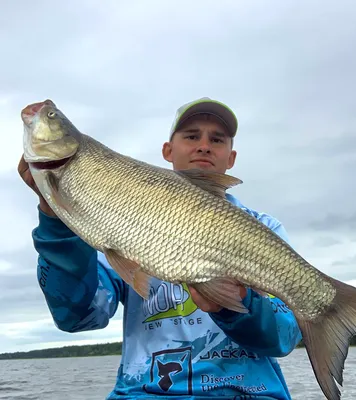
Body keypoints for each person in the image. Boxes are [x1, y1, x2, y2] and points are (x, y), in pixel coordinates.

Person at [18, 97, 302, 399]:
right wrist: (56, 221)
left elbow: (284, 337)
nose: (204, 145)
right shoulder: (119, 223)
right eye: (192, 136)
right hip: (145, 392)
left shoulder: (264, 228)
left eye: (216, 139)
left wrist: (238, 303)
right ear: (168, 150)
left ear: (230, 159)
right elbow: (79, 316)